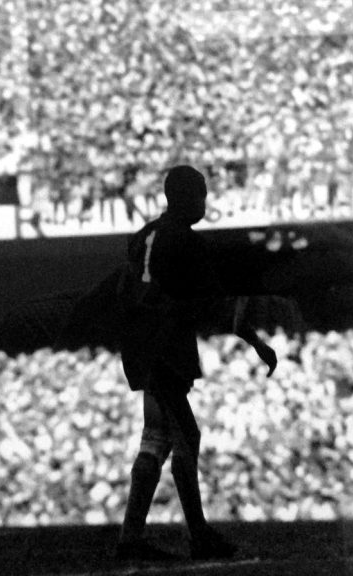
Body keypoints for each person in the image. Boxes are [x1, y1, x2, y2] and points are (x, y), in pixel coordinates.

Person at [113, 165, 277, 562]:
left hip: (140, 344)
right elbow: (217, 303)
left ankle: (131, 538)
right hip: (164, 346)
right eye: (201, 194)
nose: (205, 202)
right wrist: (256, 341)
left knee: (156, 436)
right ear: (184, 197)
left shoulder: (143, 236)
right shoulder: (186, 243)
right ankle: (198, 534)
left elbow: (126, 289)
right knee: (187, 435)